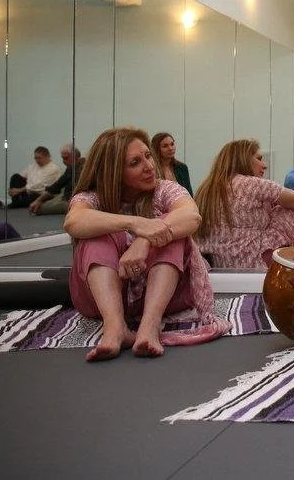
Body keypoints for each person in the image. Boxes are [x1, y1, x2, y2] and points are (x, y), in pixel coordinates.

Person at [63, 127, 228, 362]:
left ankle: (149, 327)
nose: (149, 166)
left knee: (169, 231)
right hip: (103, 299)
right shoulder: (93, 197)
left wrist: (145, 240)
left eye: (148, 156)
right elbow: (74, 221)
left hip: (166, 299)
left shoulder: (165, 189)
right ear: (114, 172)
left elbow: (192, 216)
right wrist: (137, 224)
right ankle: (115, 328)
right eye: (135, 163)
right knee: (96, 235)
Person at [194, 139, 294, 270]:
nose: (264, 165)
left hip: (217, 262)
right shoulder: (252, 184)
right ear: (243, 160)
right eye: (259, 159)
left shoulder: (205, 188)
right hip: (252, 261)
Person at [29, 144, 85, 216]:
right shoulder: (70, 167)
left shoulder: (84, 168)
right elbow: (57, 185)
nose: (63, 161)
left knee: (39, 209)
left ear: (75, 157)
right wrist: (38, 200)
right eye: (63, 158)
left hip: (77, 199)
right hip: (66, 196)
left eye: (66, 158)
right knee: (39, 204)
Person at [151, 132, 193, 196]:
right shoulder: (152, 170)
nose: (170, 148)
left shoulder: (182, 168)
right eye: (165, 146)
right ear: (157, 149)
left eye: (172, 144)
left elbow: (189, 194)